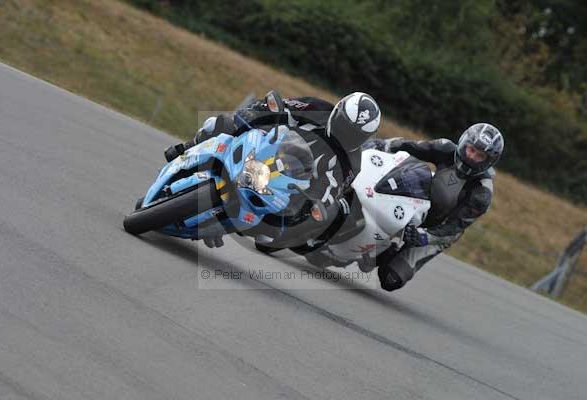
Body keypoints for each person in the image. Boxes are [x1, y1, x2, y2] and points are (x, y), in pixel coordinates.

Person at [164, 92, 382, 248]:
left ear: (363, 138)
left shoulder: (352, 163)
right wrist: (257, 112)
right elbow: (280, 105)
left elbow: (330, 191)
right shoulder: (317, 107)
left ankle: (220, 224)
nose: (344, 132)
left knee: (271, 233)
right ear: (338, 111)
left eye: (354, 133)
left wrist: (316, 205)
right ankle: (186, 147)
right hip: (267, 146)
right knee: (219, 123)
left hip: (290, 185)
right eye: (344, 123)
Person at [365, 123, 504, 291]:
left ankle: (387, 252)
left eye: (479, 155)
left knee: (390, 279)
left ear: (489, 161)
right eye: (471, 149)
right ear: (464, 142)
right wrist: (383, 145)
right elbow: (410, 146)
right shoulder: (445, 148)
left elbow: (453, 228)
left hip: (438, 231)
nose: (471, 157)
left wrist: (423, 237)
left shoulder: (482, 193)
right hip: (421, 202)